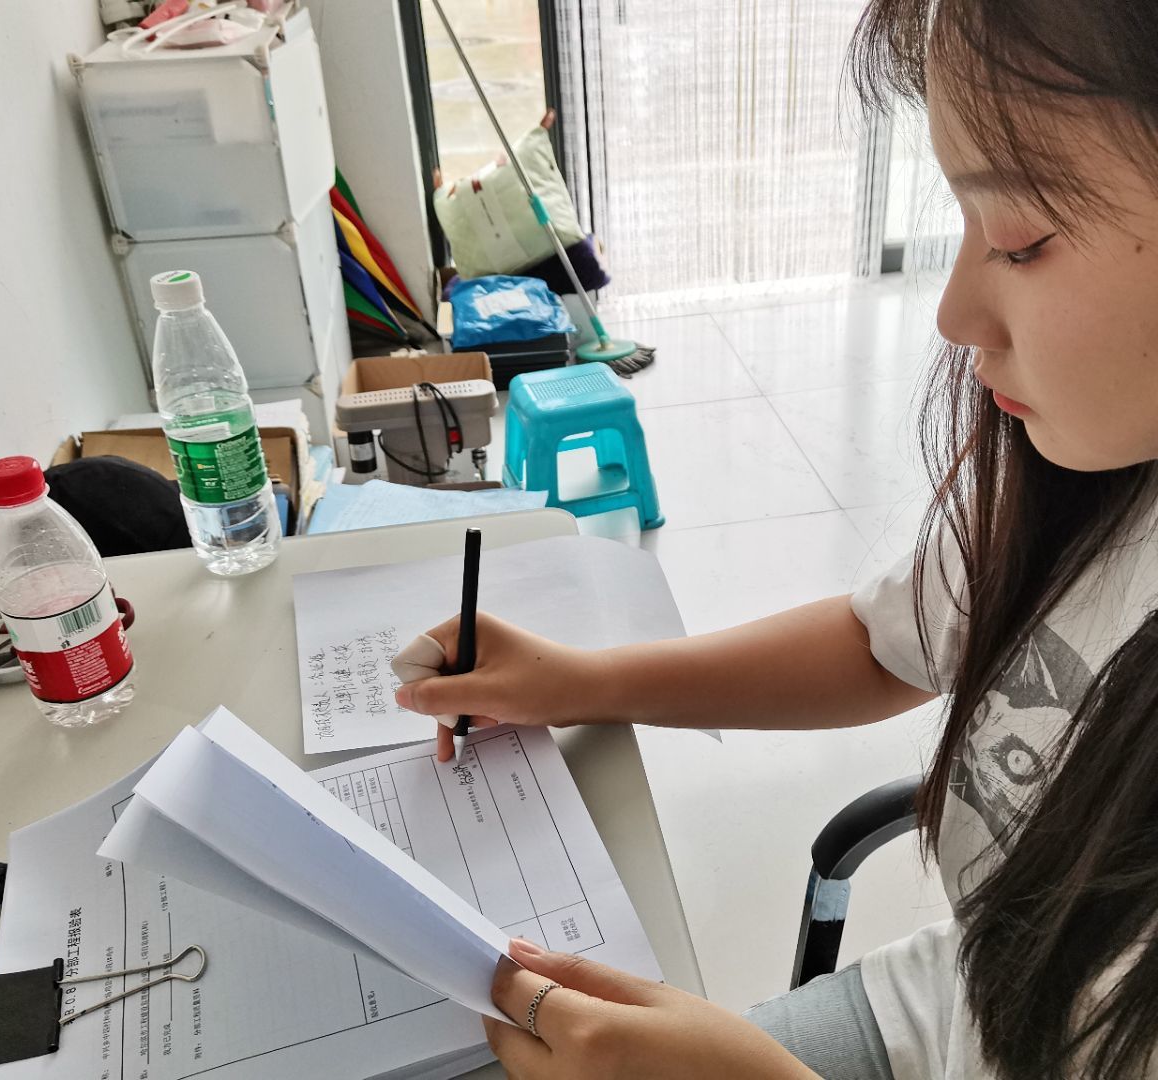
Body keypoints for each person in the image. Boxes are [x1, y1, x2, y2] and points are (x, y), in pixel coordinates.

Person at [395, 0, 1158, 1076]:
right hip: (947, 1004)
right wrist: (579, 682)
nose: (951, 315)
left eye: (1019, 241)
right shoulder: (1093, 475)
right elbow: (882, 646)